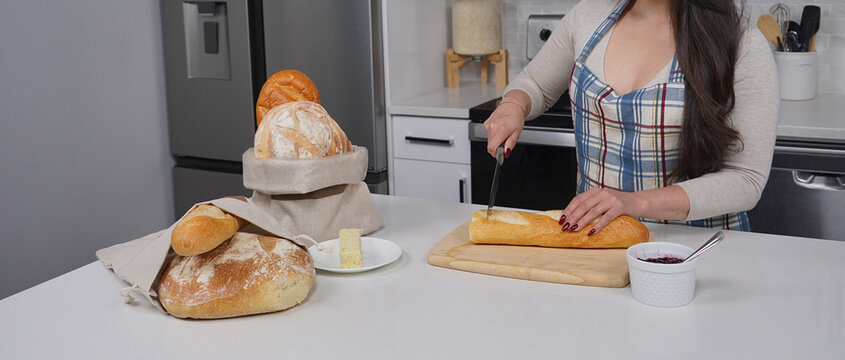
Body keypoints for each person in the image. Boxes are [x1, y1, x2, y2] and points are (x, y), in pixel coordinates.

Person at [483, 0, 778, 235]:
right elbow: (535, 83)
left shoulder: (742, 43)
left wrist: (635, 202)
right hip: (598, 239)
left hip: (698, 249)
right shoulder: (588, 16)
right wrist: (513, 105)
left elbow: (746, 180)